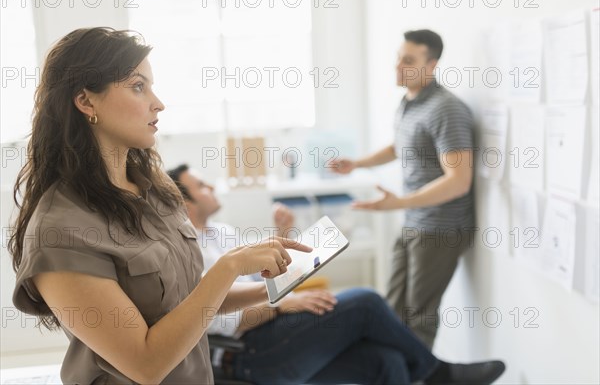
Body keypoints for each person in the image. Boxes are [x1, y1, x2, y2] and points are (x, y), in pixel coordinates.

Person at [7, 27, 312, 384]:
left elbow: (188, 303)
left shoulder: (156, 189)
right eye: (138, 86)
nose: (158, 102)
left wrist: (276, 284)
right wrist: (229, 266)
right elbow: (146, 365)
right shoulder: (59, 232)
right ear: (86, 102)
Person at [167, 164, 506, 385]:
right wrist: (284, 305)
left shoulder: (222, 232)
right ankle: (439, 375)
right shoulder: (186, 251)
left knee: (386, 363)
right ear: (185, 202)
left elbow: (260, 281)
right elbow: (221, 322)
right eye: (201, 185)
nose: (211, 186)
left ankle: (431, 373)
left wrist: (282, 234)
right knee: (366, 302)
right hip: (248, 353)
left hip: (273, 329)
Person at [331, 29, 476, 349]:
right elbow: (401, 146)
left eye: (409, 61)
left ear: (432, 64)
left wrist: (399, 203)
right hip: (413, 219)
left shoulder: (445, 110)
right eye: (398, 58)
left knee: (418, 319)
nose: (398, 67)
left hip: (440, 228)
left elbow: (459, 180)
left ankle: (414, 375)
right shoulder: (410, 102)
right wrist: (357, 163)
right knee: (392, 309)